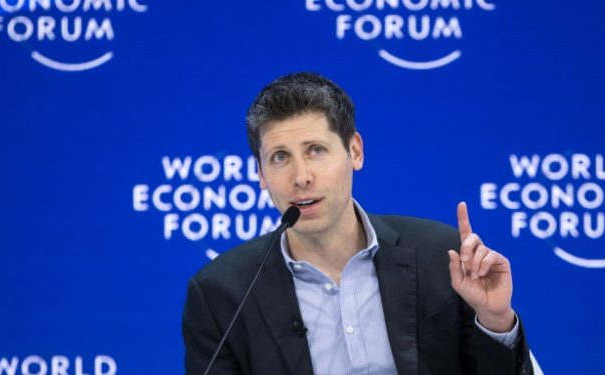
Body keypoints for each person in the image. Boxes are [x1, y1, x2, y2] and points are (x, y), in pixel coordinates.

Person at [183, 72, 533, 375]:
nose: (301, 177)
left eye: (316, 150)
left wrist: (495, 319)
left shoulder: (440, 257)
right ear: (260, 173)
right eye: (279, 158)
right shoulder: (222, 295)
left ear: (355, 151)